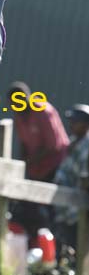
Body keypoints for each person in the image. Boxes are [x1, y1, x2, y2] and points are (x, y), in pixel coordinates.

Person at [7, 81, 69, 240]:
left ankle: (57, 246)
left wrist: (29, 162)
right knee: (30, 209)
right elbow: (23, 142)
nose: (15, 106)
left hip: (55, 168)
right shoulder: (19, 115)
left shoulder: (43, 111)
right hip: (36, 170)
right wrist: (21, 166)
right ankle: (35, 244)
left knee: (52, 210)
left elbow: (52, 146)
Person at [53, 104, 89, 253]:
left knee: (79, 248)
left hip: (78, 208)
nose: (72, 124)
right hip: (66, 207)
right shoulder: (74, 143)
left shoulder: (87, 147)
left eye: (76, 121)